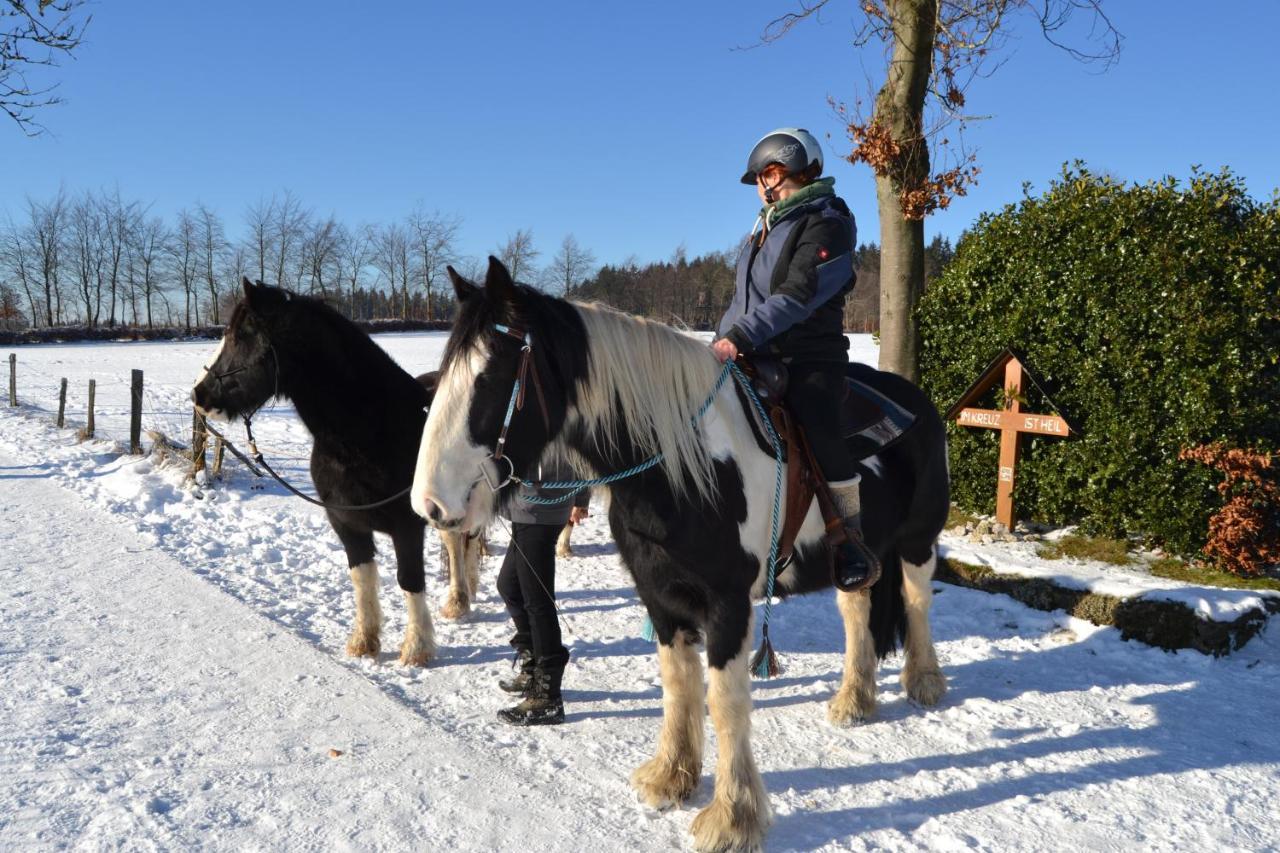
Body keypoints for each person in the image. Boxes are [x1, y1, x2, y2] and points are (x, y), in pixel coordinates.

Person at [712, 126, 880, 590]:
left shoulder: (827, 221)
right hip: (754, 352)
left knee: (818, 422)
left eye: (771, 174)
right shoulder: (762, 231)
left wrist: (741, 335)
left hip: (809, 357)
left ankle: (848, 537)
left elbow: (798, 294)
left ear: (800, 169)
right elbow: (742, 300)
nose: (765, 186)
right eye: (761, 179)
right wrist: (724, 339)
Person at [494, 461, 590, 726]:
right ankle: (533, 664)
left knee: (538, 600)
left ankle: (547, 695)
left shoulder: (550, 419)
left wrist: (581, 498)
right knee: (509, 586)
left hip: (542, 508)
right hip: (524, 506)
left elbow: (581, 447)